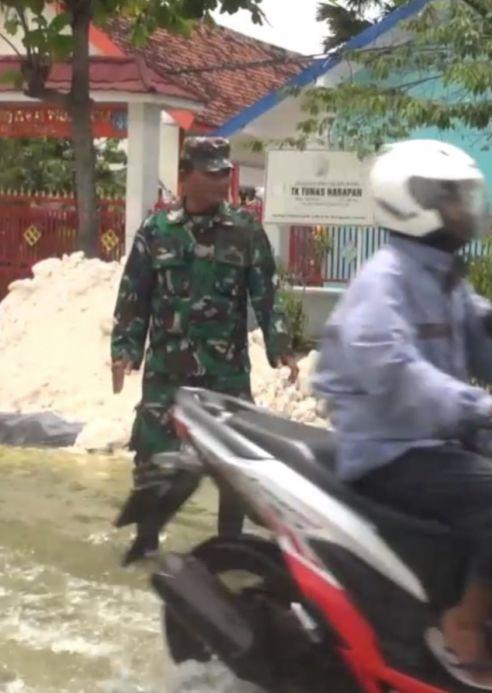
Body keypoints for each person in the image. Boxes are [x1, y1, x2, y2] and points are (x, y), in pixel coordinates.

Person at [312, 140, 492, 691]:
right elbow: (399, 376)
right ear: (413, 204)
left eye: (464, 199)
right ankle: (462, 621)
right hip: (390, 450)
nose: (465, 210)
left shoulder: (445, 279)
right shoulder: (382, 284)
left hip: (439, 442)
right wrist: (488, 407)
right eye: (453, 199)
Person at [111, 137, 297, 560]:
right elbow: (133, 296)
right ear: (185, 175)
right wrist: (124, 348)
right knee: (153, 456)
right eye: (211, 172)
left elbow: (266, 294)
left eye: (223, 172)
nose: (221, 180)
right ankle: (146, 540)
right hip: (167, 370)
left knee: (233, 462)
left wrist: (280, 345)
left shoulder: (245, 231)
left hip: (224, 371)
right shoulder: (156, 232)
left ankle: (229, 544)